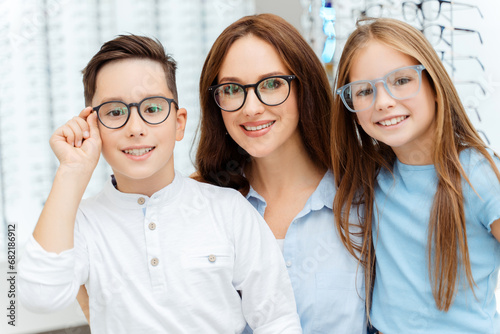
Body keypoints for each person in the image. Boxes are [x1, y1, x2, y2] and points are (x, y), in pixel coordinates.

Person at [18, 34, 302, 333]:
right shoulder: (81, 224)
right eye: (115, 112)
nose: (135, 128)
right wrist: (71, 171)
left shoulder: (229, 210)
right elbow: (41, 297)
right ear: (93, 126)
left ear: (179, 123)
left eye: (152, 109)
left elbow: (276, 319)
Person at [194, 14, 365, 333]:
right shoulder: (199, 204)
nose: (251, 108)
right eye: (232, 89)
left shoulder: (366, 196)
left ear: (305, 88)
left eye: (272, 84)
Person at [331, 18, 500, 333]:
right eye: (364, 91)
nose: (383, 102)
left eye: (402, 80)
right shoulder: (373, 176)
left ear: (435, 86)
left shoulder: (479, 175)